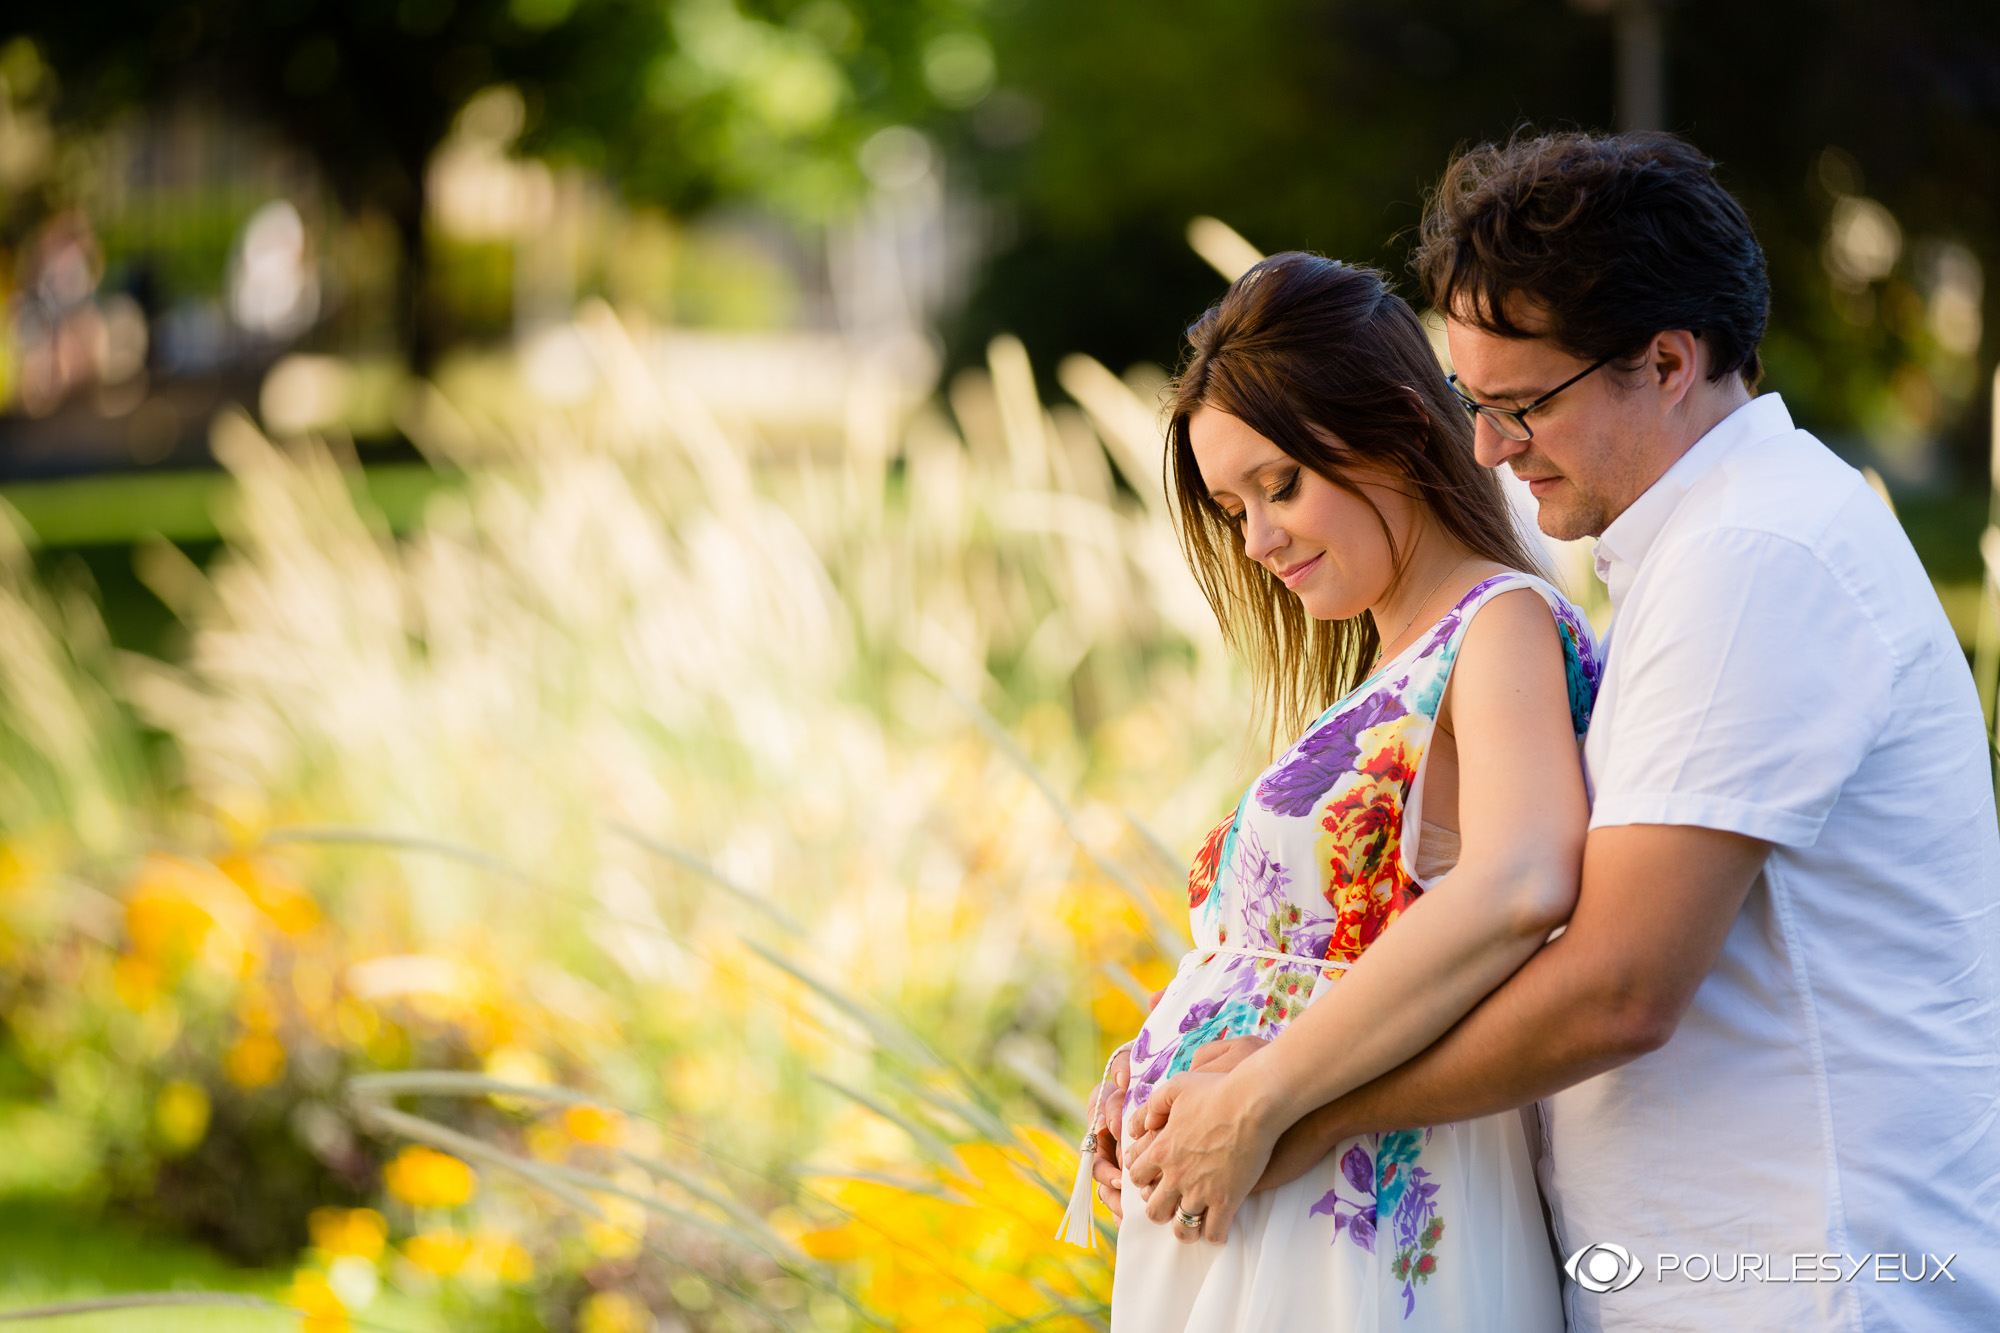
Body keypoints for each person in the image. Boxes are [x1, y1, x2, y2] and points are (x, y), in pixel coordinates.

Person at [1110, 131, 2000, 1331]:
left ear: (1667, 360)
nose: (1483, 445)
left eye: (1521, 404)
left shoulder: (1750, 560)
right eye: (1472, 403)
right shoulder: (1703, 553)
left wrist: (1278, 1111)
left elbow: (1616, 986)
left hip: (1802, 1283)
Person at [1077, 249, 1601, 1330]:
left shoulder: (1492, 625)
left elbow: (1517, 877)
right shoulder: (1378, 668)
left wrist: (1259, 1091)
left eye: (1282, 484)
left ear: (1402, 427)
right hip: (1270, 1197)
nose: (1259, 539)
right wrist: (1153, 1063)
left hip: (1362, 1197)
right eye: (1232, 507)